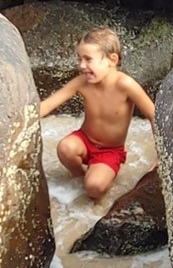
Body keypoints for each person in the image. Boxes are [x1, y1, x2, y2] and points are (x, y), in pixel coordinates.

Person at [39, 27, 155, 200]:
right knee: (66, 148)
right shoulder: (82, 83)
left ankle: (96, 175)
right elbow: (48, 105)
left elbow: (155, 117)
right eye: (79, 59)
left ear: (112, 60)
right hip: (84, 141)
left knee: (94, 189)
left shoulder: (126, 85)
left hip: (110, 151)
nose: (81, 66)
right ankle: (79, 177)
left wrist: (161, 156)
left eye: (88, 59)